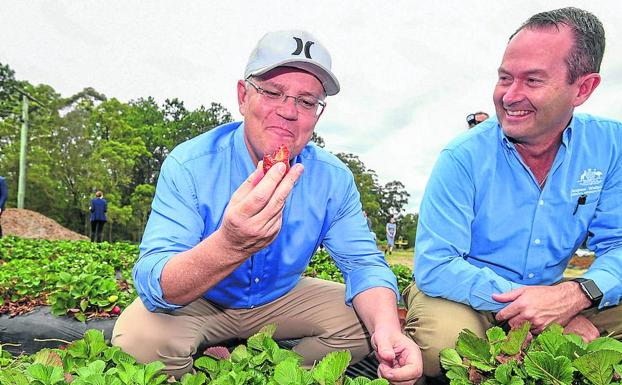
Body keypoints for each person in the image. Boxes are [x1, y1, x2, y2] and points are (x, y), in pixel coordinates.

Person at [113, 30, 422, 384]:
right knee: (137, 341)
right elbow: (154, 279)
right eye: (272, 92)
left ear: (318, 115)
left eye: (307, 101)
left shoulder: (332, 178)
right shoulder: (190, 164)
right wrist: (228, 245)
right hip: (204, 300)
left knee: (370, 323)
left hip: (280, 296)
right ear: (243, 96)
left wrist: (388, 331)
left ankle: (267, 371)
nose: (288, 111)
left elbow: (364, 263)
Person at [404, 7, 622, 380]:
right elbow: (437, 264)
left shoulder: (610, 146)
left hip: (557, 293)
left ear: (583, 88)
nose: (509, 96)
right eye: (505, 78)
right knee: (439, 343)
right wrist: (540, 314)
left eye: (533, 81)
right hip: (465, 293)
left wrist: (576, 296)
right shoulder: (462, 157)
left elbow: (618, 244)